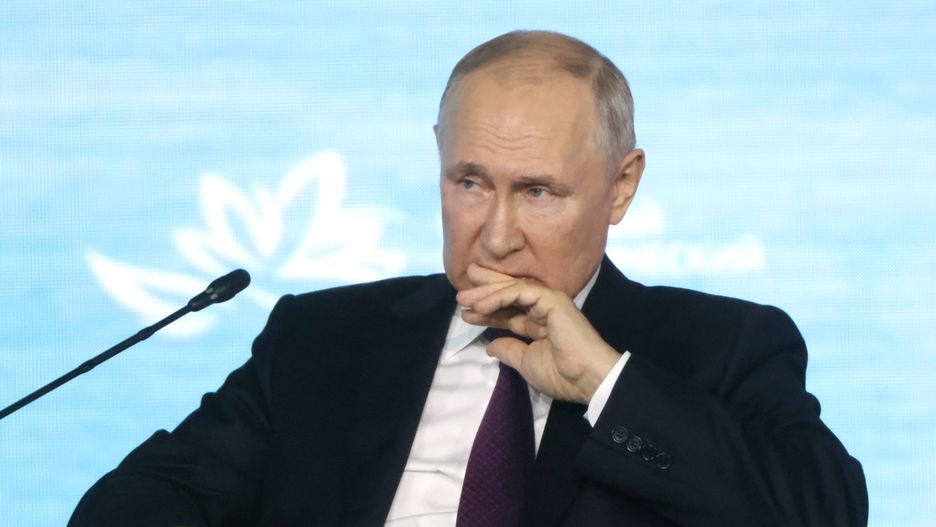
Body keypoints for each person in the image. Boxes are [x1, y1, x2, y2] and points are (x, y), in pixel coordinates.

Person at [69, 30, 868, 526]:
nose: (497, 233)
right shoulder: (325, 336)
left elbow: (823, 514)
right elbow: (133, 506)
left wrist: (605, 381)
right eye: (471, 182)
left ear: (621, 186)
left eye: (538, 191)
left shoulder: (721, 346)